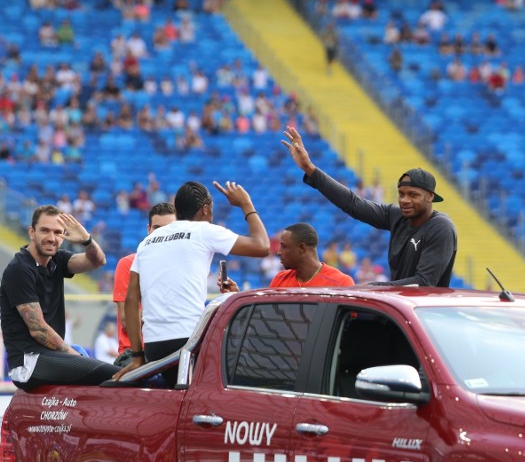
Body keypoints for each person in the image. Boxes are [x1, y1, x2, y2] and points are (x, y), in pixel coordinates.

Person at [115, 181, 270, 385]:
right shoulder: (203, 230)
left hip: (154, 346)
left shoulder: (147, 242)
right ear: (206, 208)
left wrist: (137, 356)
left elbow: (132, 299)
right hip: (189, 341)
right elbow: (262, 246)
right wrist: (246, 204)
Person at [282, 126, 457, 287]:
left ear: (430, 197)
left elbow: (424, 283)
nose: (404, 200)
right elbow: (353, 203)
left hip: (424, 313)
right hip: (403, 308)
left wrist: (374, 288)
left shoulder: (440, 226)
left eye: (413, 195)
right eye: (401, 194)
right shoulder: (397, 216)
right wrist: (310, 169)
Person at [0, 205, 120, 390]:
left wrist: (86, 239)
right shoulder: (20, 268)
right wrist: (74, 355)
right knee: (115, 374)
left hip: (50, 358)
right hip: (28, 363)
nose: (51, 238)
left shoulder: (58, 260)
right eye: (45, 231)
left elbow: (98, 261)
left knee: (114, 372)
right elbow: (38, 329)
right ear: (32, 232)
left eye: (57, 232)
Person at [112, 203, 177, 365]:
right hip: (134, 354)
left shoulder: (181, 267)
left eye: (168, 228)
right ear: (148, 230)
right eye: (157, 228)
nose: (162, 234)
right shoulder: (128, 264)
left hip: (171, 351)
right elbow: (128, 320)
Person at [222, 222, 353, 290]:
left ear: (302, 248)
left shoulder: (341, 283)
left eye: (284, 246)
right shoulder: (279, 279)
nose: (278, 252)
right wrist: (236, 295)